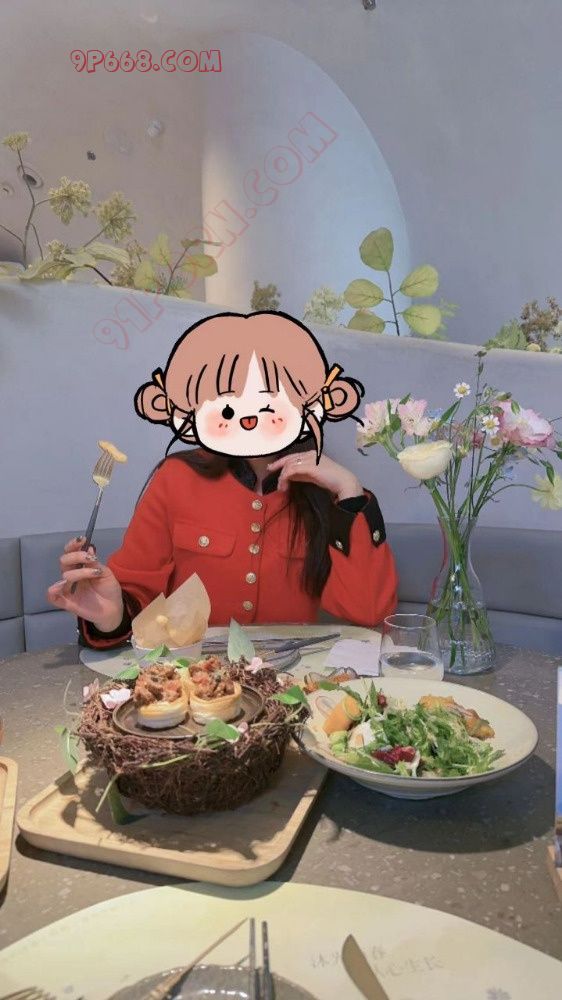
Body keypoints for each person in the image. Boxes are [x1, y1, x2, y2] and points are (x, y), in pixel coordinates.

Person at [47, 311, 398, 647]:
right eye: (229, 407)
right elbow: (134, 594)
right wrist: (111, 616)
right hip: (193, 675)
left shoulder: (323, 493)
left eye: (269, 403)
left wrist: (350, 493)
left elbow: (368, 612)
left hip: (290, 675)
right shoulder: (175, 478)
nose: (249, 419)